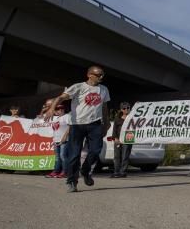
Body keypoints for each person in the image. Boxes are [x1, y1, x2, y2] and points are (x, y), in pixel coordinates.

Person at [48, 65, 111, 193]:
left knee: (95, 150)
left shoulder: (104, 89)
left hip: (95, 124)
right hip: (78, 125)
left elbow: (104, 106)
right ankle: (72, 181)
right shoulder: (78, 87)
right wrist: (51, 108)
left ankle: (86, 170)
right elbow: (61, 97)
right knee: (74, 155)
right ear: (89, 75)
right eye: (98, 74)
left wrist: (107, 122)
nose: (101, 77)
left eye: (102, 74)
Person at [46, 102, 71, 179]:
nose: (57, 111)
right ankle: (56, 171)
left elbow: (70, 126)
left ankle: (65, 172)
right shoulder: (55, 118)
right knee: (57, 157)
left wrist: (65, 137)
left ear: (63, 109)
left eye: (59, 109)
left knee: (63, 156)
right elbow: (44, 118)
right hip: (56, 140)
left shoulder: (67, 116)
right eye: (55, 109)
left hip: (64, 140)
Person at [110, 103, 133, 178]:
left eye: (128, 108)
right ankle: (116, 172)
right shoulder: (118, 118)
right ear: (121, 110)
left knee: (125, 156)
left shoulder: (132, 118)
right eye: (124, 108)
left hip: (128, 139)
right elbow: (114, 129)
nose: (126, 109)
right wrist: (115, 138)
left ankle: (123, 172)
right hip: (118, 140)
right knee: (116, 156)